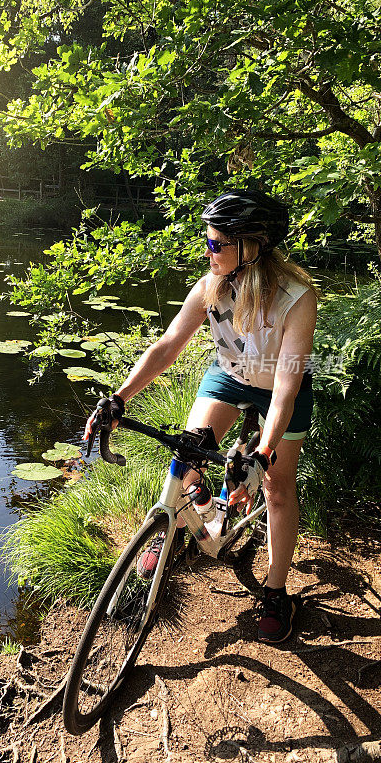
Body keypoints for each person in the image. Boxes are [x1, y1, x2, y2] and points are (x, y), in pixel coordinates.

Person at [84, 189, 318, 644]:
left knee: (276, 488)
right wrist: (120, 397)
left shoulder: (296, 298)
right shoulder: (210, 286)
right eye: (205, 240)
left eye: (215, 243)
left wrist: (264, 451)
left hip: (279, 390)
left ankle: (275, 593)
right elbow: (168, 346)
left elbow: (287, 388)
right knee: (187, 456)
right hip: (229, 377)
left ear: (251, 247)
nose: (206, 250)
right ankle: (188, 522)